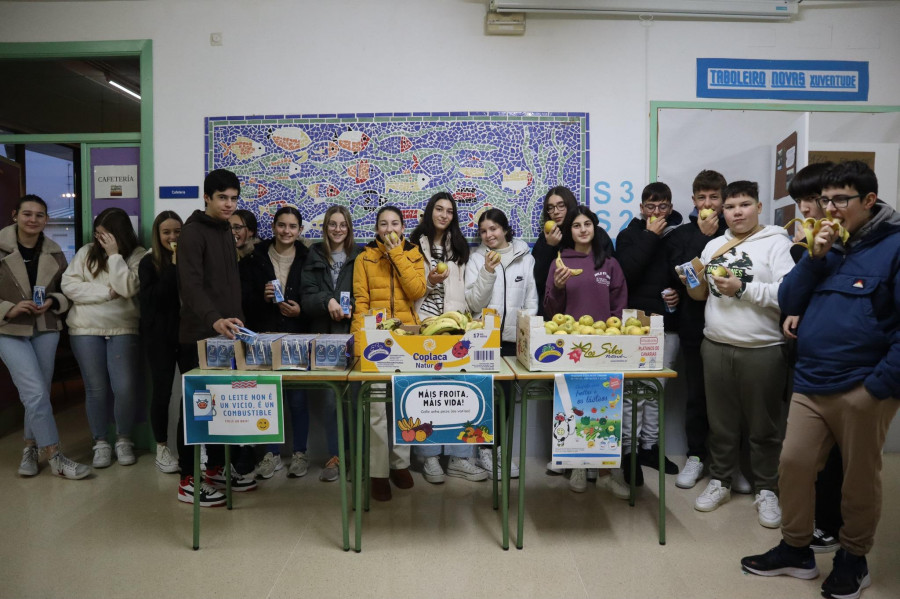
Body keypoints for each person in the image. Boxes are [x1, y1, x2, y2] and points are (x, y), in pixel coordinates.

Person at [741, 161, 900, 599]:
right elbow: (789, 299)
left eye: (840, 201)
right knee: (792, 465)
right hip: (811, 381)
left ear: (868, 201)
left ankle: (854, 557)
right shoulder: (824, 245)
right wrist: (814, 257)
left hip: (863, 387)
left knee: (858, 480)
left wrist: (878, 388)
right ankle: (796, 549)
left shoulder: (894, 247)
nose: (829, 209)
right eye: (825, 200)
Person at [681, 181, 794, 528]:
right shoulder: (715, 244)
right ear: (721, 212)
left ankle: (766, 489)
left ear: (759, 207)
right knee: (721, 424)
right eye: (730, 207)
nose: (737, 212)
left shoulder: (777, 243)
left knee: (764, 426)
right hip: (715, 345)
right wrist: (692, 280)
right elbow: (703, 297)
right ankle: (721, 481)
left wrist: (742, 288)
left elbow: (788, 293)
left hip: (762, 348)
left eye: (744, 205)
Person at [174, 168, 255, 507]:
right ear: (206, 197)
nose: (228, 204)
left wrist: (236, 324)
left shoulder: (225, 231)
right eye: (222, 197)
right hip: (197, 335)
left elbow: (227, 286)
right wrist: (214, 318)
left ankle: (217, 469)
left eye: (234, 198)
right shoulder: (192, 233)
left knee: (221, 406)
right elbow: (190, 286)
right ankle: (188, 478)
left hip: (226, 335)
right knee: (196, 408)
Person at [542, 205, 630, 499]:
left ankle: (606, 473)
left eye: (587, 224)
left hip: (605, 346)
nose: (582, 229)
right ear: (570, 231)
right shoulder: (560, 263)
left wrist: (616, 336)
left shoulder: (610, 264)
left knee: (605, 405)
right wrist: (556, 287)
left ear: (595, 227)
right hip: (571, 347)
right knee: (573, 406)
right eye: (576, 225)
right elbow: (550, 310)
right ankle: (577, 465)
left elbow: (619, 306)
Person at [0, 195, 90, 479]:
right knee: (35, 393)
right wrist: (9, 308)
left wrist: (52, 300)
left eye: (40, 215)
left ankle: (30, 447)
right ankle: (55, 456)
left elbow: (66, 290)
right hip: (8, 329)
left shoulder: (54, 252)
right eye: (27, 213)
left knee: (38, 392)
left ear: (46, 220)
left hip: (45, 327)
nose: (33, 220)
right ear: (15, 214)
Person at [783, 161, 843, 554]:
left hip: (850, 365)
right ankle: (805, 533)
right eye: (802, 200)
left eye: (814, 199)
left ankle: (833, 527)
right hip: (810, 357)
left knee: (841, 456)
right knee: (802, 456)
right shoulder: (805, 240)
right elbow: (789, 296)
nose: (806, 208)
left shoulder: (859, 242)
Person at [409, 192, 488, 484]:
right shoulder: (413, 246)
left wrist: (488, 274)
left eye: (449, 211)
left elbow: (472, 296)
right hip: (422, 325)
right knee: (424, 393)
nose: (444, 215)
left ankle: (460, 457)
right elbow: (410, 289)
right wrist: (429, 283)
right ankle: (429, 457)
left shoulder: (460, 249)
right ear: (430, 211)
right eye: (439, 209)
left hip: (454, 326)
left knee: (460, 391)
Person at [351, 205, 427, 501]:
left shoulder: (414, 254)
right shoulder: (364, 258)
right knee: (376, 409)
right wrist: (360, 344)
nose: (389, 228)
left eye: (394, 223)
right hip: (376, 341)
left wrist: (397, 254)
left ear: (403, 227)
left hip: (408, 339)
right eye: (383, 224)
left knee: (406, 404)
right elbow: (360, 303)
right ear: (376, 229)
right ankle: (378, 471)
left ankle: (400, 464)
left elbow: (417, 291)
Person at [62, 207, 146, 469]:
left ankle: (123, 439)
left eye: (106, 235)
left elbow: (128, 287)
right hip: (85, 329)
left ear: (119, 234)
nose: (100, 239)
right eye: (98, 234)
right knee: (95, 389)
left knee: (124, 388)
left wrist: (113, 256)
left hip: (123, 328)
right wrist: (107, 294)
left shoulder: (138, 255)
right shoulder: (86, 252)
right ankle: (100, 442)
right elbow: (69, 286)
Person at [239, 206, 319, 481]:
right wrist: (261, 296)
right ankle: (271, 454)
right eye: (282, 225)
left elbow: (315, 296)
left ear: (299, 231)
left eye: (292, 226)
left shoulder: (309, 257)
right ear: (273, 227)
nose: (287, 231)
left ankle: (300, 453)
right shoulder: (255, 257)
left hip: (297, 335)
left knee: (297, 399)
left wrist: (301, 311)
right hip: (264, 335)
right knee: (268, 398)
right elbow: (243, 299)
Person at [614, 182, 682, 486]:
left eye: (662, 206)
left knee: (657, 390)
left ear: (670, 207)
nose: (656, 212)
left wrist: (677, 294)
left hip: (668, 323)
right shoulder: (628, 235)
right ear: (642, 208)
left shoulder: (680, 234)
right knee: (633, 393)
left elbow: (685, 274)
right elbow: (625, 274)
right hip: (634, 323)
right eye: (651, 206)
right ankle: (628, 453)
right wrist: (649, 237)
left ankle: (650, 448)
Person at [665, 169, 729, 491]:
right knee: (697, 397)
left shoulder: (738, 232)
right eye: (702, 197)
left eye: (714, 197)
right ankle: (696, 456)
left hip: (734, 329)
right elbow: (683, 277)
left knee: (730, 400)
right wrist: (704, 237)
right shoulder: (682, 235)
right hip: (696, 327)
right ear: (693, 200)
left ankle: (727, 464)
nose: (708, 203)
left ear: (723, 200)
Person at [300, 205, 359, 482]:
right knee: (329, 401)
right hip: (323, 338)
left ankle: (358, 457)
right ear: (325, 227)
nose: (337, 229)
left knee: (359, 400)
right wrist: (328, 301)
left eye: (342, 225)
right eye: (332, 224)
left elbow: (368, 292)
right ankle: (336, 456)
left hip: (354, 336)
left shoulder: (360, 255)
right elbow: (306, 297)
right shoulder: (313, 254)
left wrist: (353, 306)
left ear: (349, 228)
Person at [139, 210, 183, 474]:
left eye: (177, 231)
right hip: (159, 337)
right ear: (158, 234)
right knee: (162, 392)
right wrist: (173, 267)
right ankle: (162, 448)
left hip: (186, 334)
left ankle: (190, 448)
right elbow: (153, 298)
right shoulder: (148, 262)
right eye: (166, 232)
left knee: (191, 392)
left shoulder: (191, 259)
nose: (172, 236)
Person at [532, 186, 613, 318]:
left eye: (561, 205)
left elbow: (611, 270)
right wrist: (550, 246)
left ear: (570, 205)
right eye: (550, 208)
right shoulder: (545, 238)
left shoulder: (595, 234)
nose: (556, 212)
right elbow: (538, 280)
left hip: (592, 304)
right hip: (556, 312)